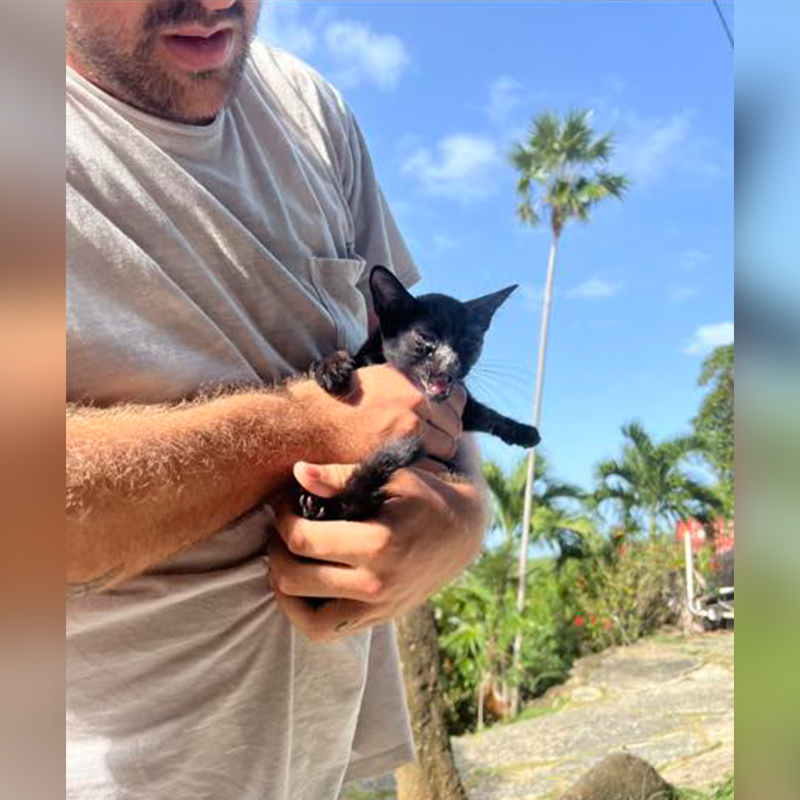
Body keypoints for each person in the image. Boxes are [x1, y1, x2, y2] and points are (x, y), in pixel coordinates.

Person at [66, 3, 489, 799]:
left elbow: (414, 358)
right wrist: (307, 429)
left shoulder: (308, 108)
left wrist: (462, 514)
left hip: (320, 770)